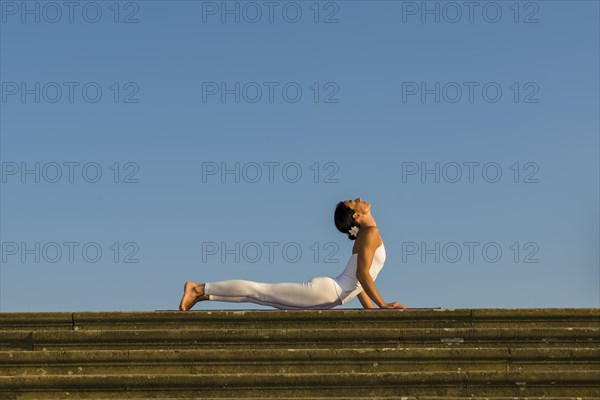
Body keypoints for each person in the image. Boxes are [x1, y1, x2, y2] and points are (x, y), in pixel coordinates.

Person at [178, 197, 408, 310]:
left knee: (259, 296)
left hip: (330, 295)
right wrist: (383, 305)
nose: (359, 199)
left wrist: (372, 310)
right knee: (261, 291)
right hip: (326, 292)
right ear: (356, 216)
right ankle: (198, 287)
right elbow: (363, 274)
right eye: (354, 201)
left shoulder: (367, 235)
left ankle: (203, 295)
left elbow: (358, 283)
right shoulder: (371, 233)